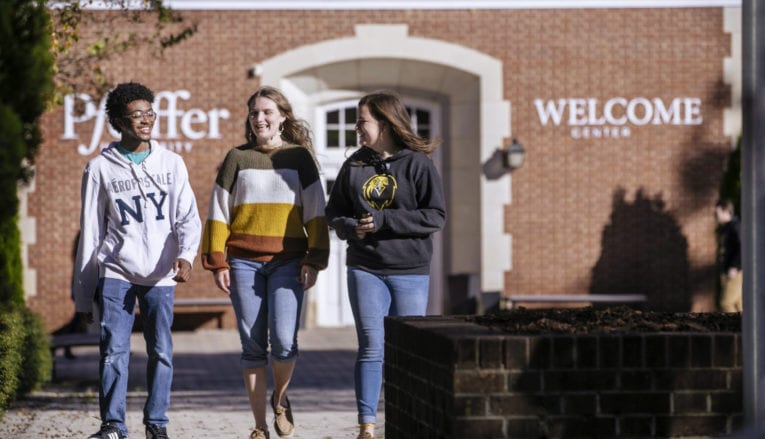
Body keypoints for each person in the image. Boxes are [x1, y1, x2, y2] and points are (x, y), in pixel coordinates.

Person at [72, 82, 202, 439]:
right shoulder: (100, 168)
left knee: (161, 351)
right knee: (113, 349)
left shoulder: (171, 163)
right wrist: (83, 295)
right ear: (118, 121)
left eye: (150, 113)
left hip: (161, 275)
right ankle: (113, 424)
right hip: (116, 270)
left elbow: (188, 217)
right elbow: (91, 233)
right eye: (137, 115)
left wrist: (186, 255)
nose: (146, 120)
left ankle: (156, 424)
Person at [201, 86, 329, 439]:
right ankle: (259, 426)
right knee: (252, 345)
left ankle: (281, 399)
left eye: (267, 112)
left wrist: (314, 259)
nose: (260, 119)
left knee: (285, 343)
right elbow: (218, 214)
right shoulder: (236, 159)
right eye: (255, 113)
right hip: (243, 263)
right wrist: (218, 262)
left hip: (289, 262)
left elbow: (317, 213)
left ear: (283, 117)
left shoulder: (299, 159)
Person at [325, 91, 446, 439]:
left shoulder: (418, 164)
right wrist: (352, 229)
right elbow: (334, 213)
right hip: (365, 267)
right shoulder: (355, 164)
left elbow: (435, 216)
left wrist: (383, 221)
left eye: (362, 121)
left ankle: (407, 420)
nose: (357, 128)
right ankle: (367, 425)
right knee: (371, 345)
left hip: (410, 271)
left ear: (385, 123)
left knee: (408, 349)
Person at [715, 198, 742, 312]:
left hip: (735, 271)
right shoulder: (727, 228)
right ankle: (744, 328)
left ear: (726, 211)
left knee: (726, 303)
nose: (716, 216)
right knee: (739, 304)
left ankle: (734, 328)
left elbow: (742, 247)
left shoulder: (735, 227)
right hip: (727, 269)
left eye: (718, 213)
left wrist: (735, 266)